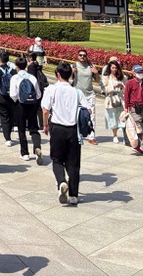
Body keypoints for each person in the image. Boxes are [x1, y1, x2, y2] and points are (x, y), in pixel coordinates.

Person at [42, 62, 92, 206]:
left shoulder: (51, 89)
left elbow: (45, 110)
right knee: (74, 163)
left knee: (57, 159)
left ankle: (61, 182)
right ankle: (74, 195)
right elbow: (88, 110)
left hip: (57, 128)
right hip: (73, 130)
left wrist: (45, 125)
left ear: (58, 74)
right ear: (70, 74)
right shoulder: (76, 92)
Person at [9, 57, 43, 164]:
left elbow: (13, 94)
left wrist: (16, 101)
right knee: (33, 128)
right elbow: (38, 94)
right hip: (32, 105)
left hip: (20, 105)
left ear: (16, 67)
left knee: (22, 129)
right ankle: (37, 146)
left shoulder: (15, 77)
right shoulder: (32, 77)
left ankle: (25, 153)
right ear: (26, 65)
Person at [73, 50, 99, 145]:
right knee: (76, 114)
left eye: (84, 55)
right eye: (80, 55)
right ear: (77, 56)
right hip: (78, 93)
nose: (82, 57)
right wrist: (71, 72)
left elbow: (98, 80)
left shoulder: (90, 66)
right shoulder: (74, 66)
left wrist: (96, 73)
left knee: (92, 116)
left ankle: (92, 137)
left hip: (89, 94)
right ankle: (76, 134)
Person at [100, 59, 126, 143]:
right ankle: (115, 135)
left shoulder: (122, 77)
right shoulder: (106, 77)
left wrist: (121, 86)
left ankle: (126, 136)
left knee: (123, 116)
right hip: (111, 99)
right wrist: (113, 87)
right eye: (113, 68)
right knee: (113, 118)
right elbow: (104, 89)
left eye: (116, 68)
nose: (114, 70)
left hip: (120, 98)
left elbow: (126, 89)